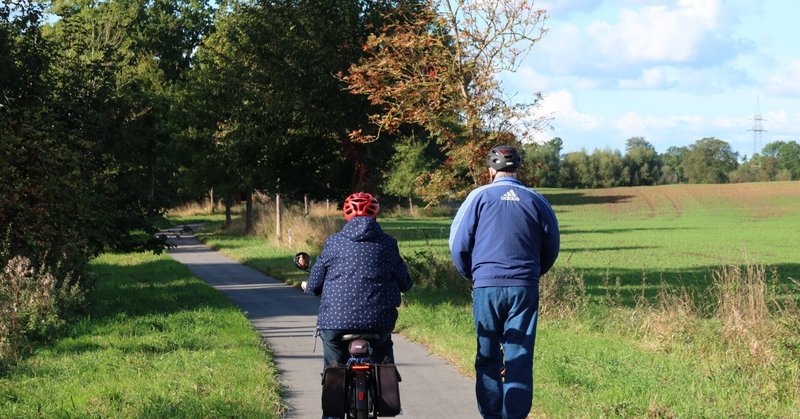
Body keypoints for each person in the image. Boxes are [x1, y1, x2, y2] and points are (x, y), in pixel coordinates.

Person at [449, 145, 560, 419]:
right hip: (524, 286)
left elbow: (458, 244)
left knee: (487, 355)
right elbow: (552, 245)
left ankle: (491, 414)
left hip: (486, 285)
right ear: (517, 169)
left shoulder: (478, 197)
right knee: (519, 354)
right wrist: (533, 273)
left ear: (491, 171)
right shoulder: (536, 199)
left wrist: (472, 275)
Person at [304, 192, 413, 369]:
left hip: (335, 321)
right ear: (375, 214)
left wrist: (312, 288)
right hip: (379, 322)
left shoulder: (334, 243)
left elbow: (314, 284)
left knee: (334, 366)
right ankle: (384, 383)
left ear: (346, 214)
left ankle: (335, 387)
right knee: (382, 356)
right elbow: (405, 283)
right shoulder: (388, 244)